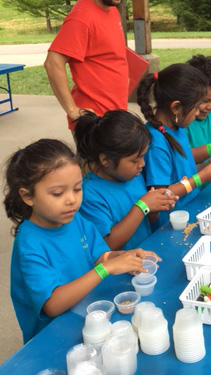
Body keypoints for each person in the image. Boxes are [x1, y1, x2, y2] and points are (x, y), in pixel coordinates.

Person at [4, 139, 146, 344]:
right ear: (28, 197)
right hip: (54, 337)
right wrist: (106, 268)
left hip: (88, 316)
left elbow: (99, 256)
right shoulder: (30, 244)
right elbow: (53, 305)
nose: (71, 200)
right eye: (57, 193)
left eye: (77, 189)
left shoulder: (74, 219)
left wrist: (123, 257)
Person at [44, 0, 128, 128]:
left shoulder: (111, 8)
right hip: (95, 120)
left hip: (115, 114)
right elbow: (53, 63)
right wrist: (73, 111)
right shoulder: (81, 18)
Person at [74, 110, 178, 251]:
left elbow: (147, 224)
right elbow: (107, 245)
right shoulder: (89, 194)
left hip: (146, 256)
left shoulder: (133, 176)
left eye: (143, 157)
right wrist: (142, 207)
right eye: (135, 160)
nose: (142, 164)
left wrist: (154, 208)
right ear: (105, 160)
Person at [137, 64, 211, 214]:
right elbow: (161, 195)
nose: (198, 113)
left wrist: (208, 167)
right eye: (196, 107)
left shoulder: (177, 128)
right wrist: (201, 178)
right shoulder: (156, 144)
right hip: (173, 220)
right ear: (176, 108)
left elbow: (182, 172)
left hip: (192, 206)